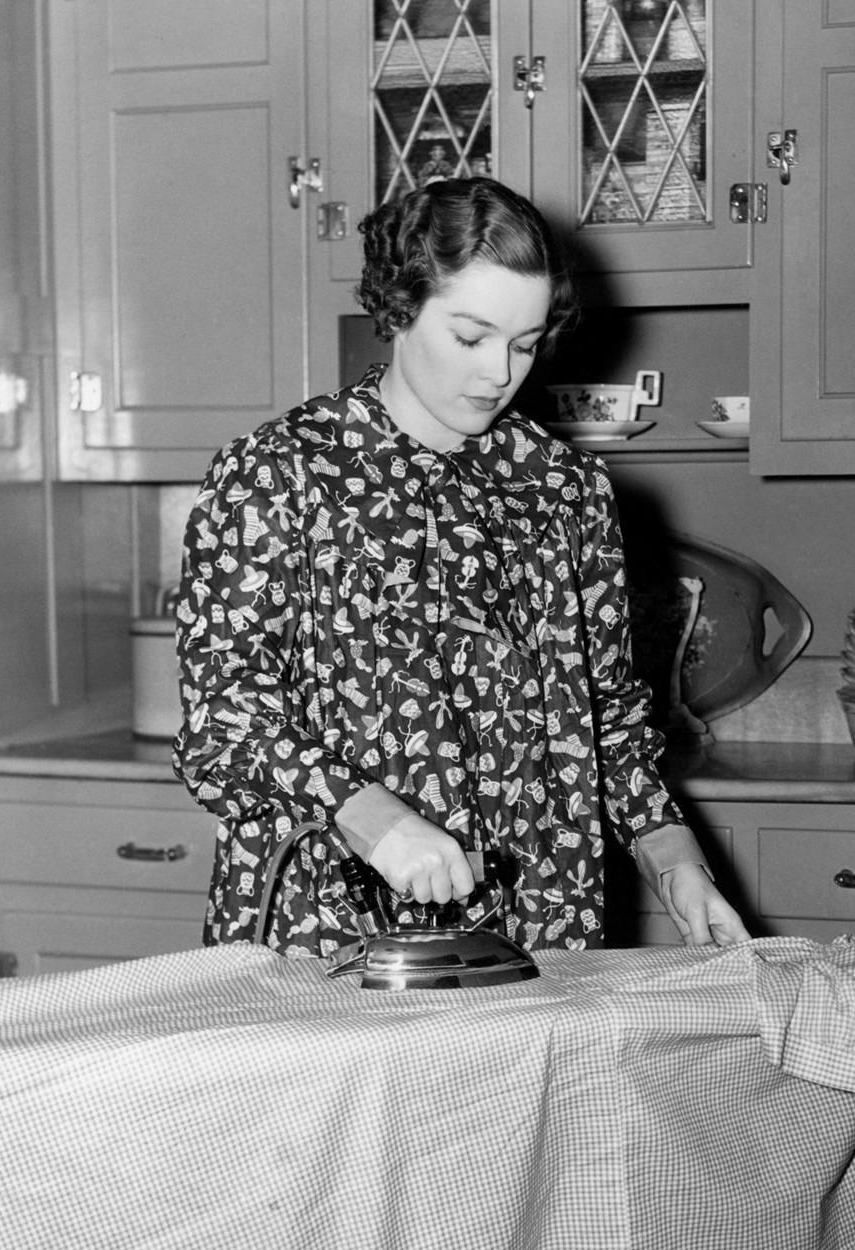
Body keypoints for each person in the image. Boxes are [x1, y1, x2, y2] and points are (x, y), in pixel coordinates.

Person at [172, 176, 747, 955]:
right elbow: (223, 721)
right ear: (400, 307)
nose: (499, 374)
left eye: (524, 343)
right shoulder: (279, 474)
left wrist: (672, 854)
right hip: (327, 918)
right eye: (471, 336)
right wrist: (368, 814)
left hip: (538, 917)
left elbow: (606, 714)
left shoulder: (565, 490)